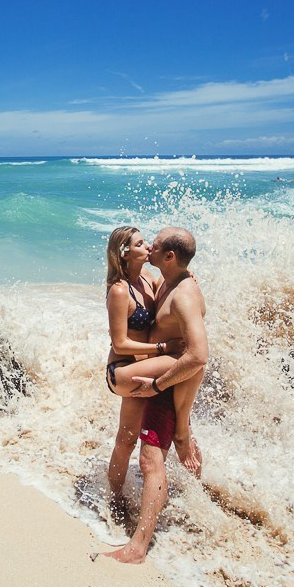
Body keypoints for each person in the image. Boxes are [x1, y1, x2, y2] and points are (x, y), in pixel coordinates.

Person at [102, 226, 208, 564]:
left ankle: (139, 543)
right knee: (133, 443)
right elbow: (121, 342)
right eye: (142, 243)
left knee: (139, 448)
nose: (149, 246)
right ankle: (116, 500)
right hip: (131, 373)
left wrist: (162, 386)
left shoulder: (169, 287)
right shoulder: (138, 286)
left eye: (154, 243)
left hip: (156, 378)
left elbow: (198, 356)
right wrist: (164, 351)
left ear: (169, 257)